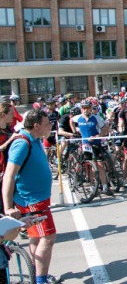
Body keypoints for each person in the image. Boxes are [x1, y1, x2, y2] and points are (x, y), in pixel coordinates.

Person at [2, 109, 61, 284]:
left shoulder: (34, 139)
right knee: (48, 238)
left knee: (36, 237)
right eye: (47, 124)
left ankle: (38, 275)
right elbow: (9, 176)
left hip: (37, 199)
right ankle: (41, 280)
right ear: (36, 125)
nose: (50, 126)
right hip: (31, 202)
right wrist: (8, 207)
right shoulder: (22, 143)